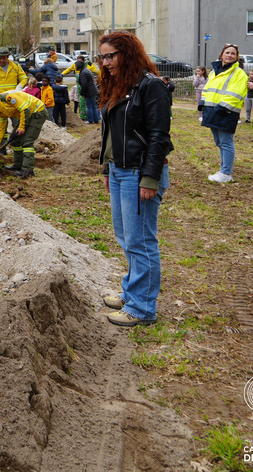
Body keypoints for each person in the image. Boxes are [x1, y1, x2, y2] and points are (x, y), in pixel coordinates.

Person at [97, 32, 172, 327]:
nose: (105, 63)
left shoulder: (151, 86)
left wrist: (150, 178)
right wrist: (107, 168)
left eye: (110, 56)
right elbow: (111, 134)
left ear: (127, 53)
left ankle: (142, 308)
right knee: (127, 238)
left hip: (139, 173)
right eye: (101, 57)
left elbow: (159, 137)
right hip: (119, 170)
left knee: (141, 241)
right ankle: (132, 292)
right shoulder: (118, 84)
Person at [199, 44, 248, 183]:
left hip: (225, 112)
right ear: (221, 55)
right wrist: (203, 102)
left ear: (237, 57)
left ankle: (226, 173)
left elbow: (236, 93)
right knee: (219, 142)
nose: (230, 55)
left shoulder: (238, 73)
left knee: (226, 142)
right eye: (227, 52)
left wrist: (222, 108)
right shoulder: (215, 71)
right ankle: (223, 168)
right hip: (212, 110)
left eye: (233, 53)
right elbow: (207, 88)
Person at [0, 89, 48, 178]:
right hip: (25, 116)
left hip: (37, 112)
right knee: (15, 140)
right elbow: (1, 129)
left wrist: (21, 127)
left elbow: (25, 109)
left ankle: (28, 170)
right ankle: (18, 165)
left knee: (27, 141)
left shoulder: (7, 98)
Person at [77, 59, 100, 124]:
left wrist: (82, 93)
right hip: (93, 90)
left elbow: (84, 84)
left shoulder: (83, 73)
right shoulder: (87, 70)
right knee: (94, 105)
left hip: (89, 91)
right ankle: (96, 119)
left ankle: (90, 120)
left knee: (89, 106)